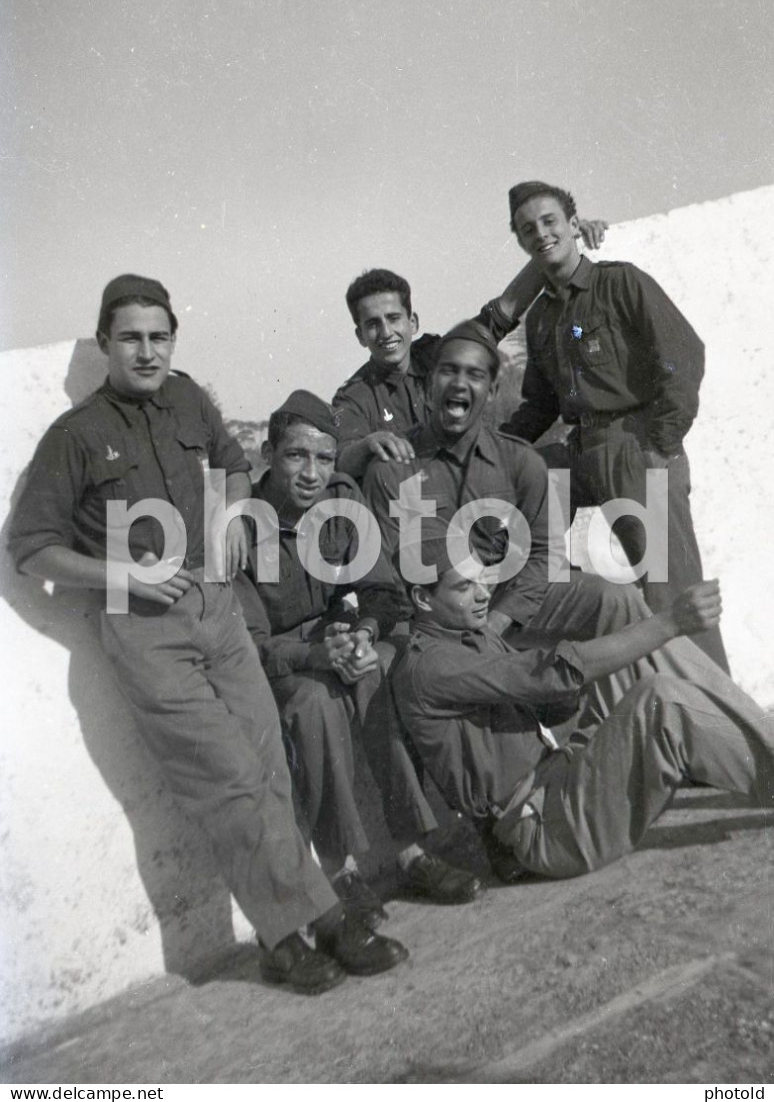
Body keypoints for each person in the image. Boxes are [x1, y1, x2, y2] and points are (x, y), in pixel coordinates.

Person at [8, 274, 407, 995]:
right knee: (230, 783)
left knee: (269, 769)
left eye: (159, 336)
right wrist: (121, 576)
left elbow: (228, 462)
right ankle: (295, 933)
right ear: (105, 343)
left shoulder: (189, 398)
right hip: (144, 632)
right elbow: (30, 549)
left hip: (216, 610)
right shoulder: (75, 437)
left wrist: (227, 524)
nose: (147, 350)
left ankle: (310, 920)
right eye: (130, 337)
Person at [363, 318, 706, 876]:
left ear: (491, 391)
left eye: (475, 374)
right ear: (428, 384)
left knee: (612, 599)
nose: (460, 383)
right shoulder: (395, 472)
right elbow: (416, 572)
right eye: (448, 370)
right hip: (446, 620)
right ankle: (466, 830)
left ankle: (652, 743)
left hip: (507, 606)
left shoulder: (519, 459)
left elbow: (544, 556)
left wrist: (497, 621)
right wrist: (474, 627)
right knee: (391, 675)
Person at [391, 517, 772, 881]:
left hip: (560, 779)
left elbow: (551, 704)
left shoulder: (469, 633)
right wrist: (669, 622)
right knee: (661, 700)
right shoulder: (431, 665)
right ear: (423, 599)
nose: (483, 593)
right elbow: (549, 674)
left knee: (635, 654)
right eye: (463, 587)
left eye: (482, 578)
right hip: (547, 829)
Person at [233, 390, 482, 917]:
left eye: (324, 458)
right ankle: (341, 870)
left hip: (336, 637)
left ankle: (412, 852)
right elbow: (250, 646)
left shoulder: (342, 501)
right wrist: (316, 656)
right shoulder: (243, 527)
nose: (311, 473)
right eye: (295, 456)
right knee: (314, 706)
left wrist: (365, 633)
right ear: (268, 455)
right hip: (283, 659)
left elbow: (383, 590)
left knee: (377, 677)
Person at [501, 180, 728, 672]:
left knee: (673, 595)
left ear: (572, 224)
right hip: (581, 450)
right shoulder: (539, 318)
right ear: (519, 241)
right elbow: (540, 405)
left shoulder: (620, 283)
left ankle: (727, 729)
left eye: (548, 221)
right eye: (527, 229)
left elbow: (684, 357)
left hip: (636, 444)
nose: (540, 234)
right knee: (511, 507)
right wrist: (493, 452)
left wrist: (660, 445)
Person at [333, 216, 608, 482]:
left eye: (393, 319)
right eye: (372, 325)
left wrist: (562, 243)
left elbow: (505, 310)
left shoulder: (442, 354)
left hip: (476, 484)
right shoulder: (355, 396)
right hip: (419, 507)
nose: (385, 333)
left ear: (412, 322)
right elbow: (342, 458)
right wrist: (369, 445)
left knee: (557, 466)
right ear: (360, 335)